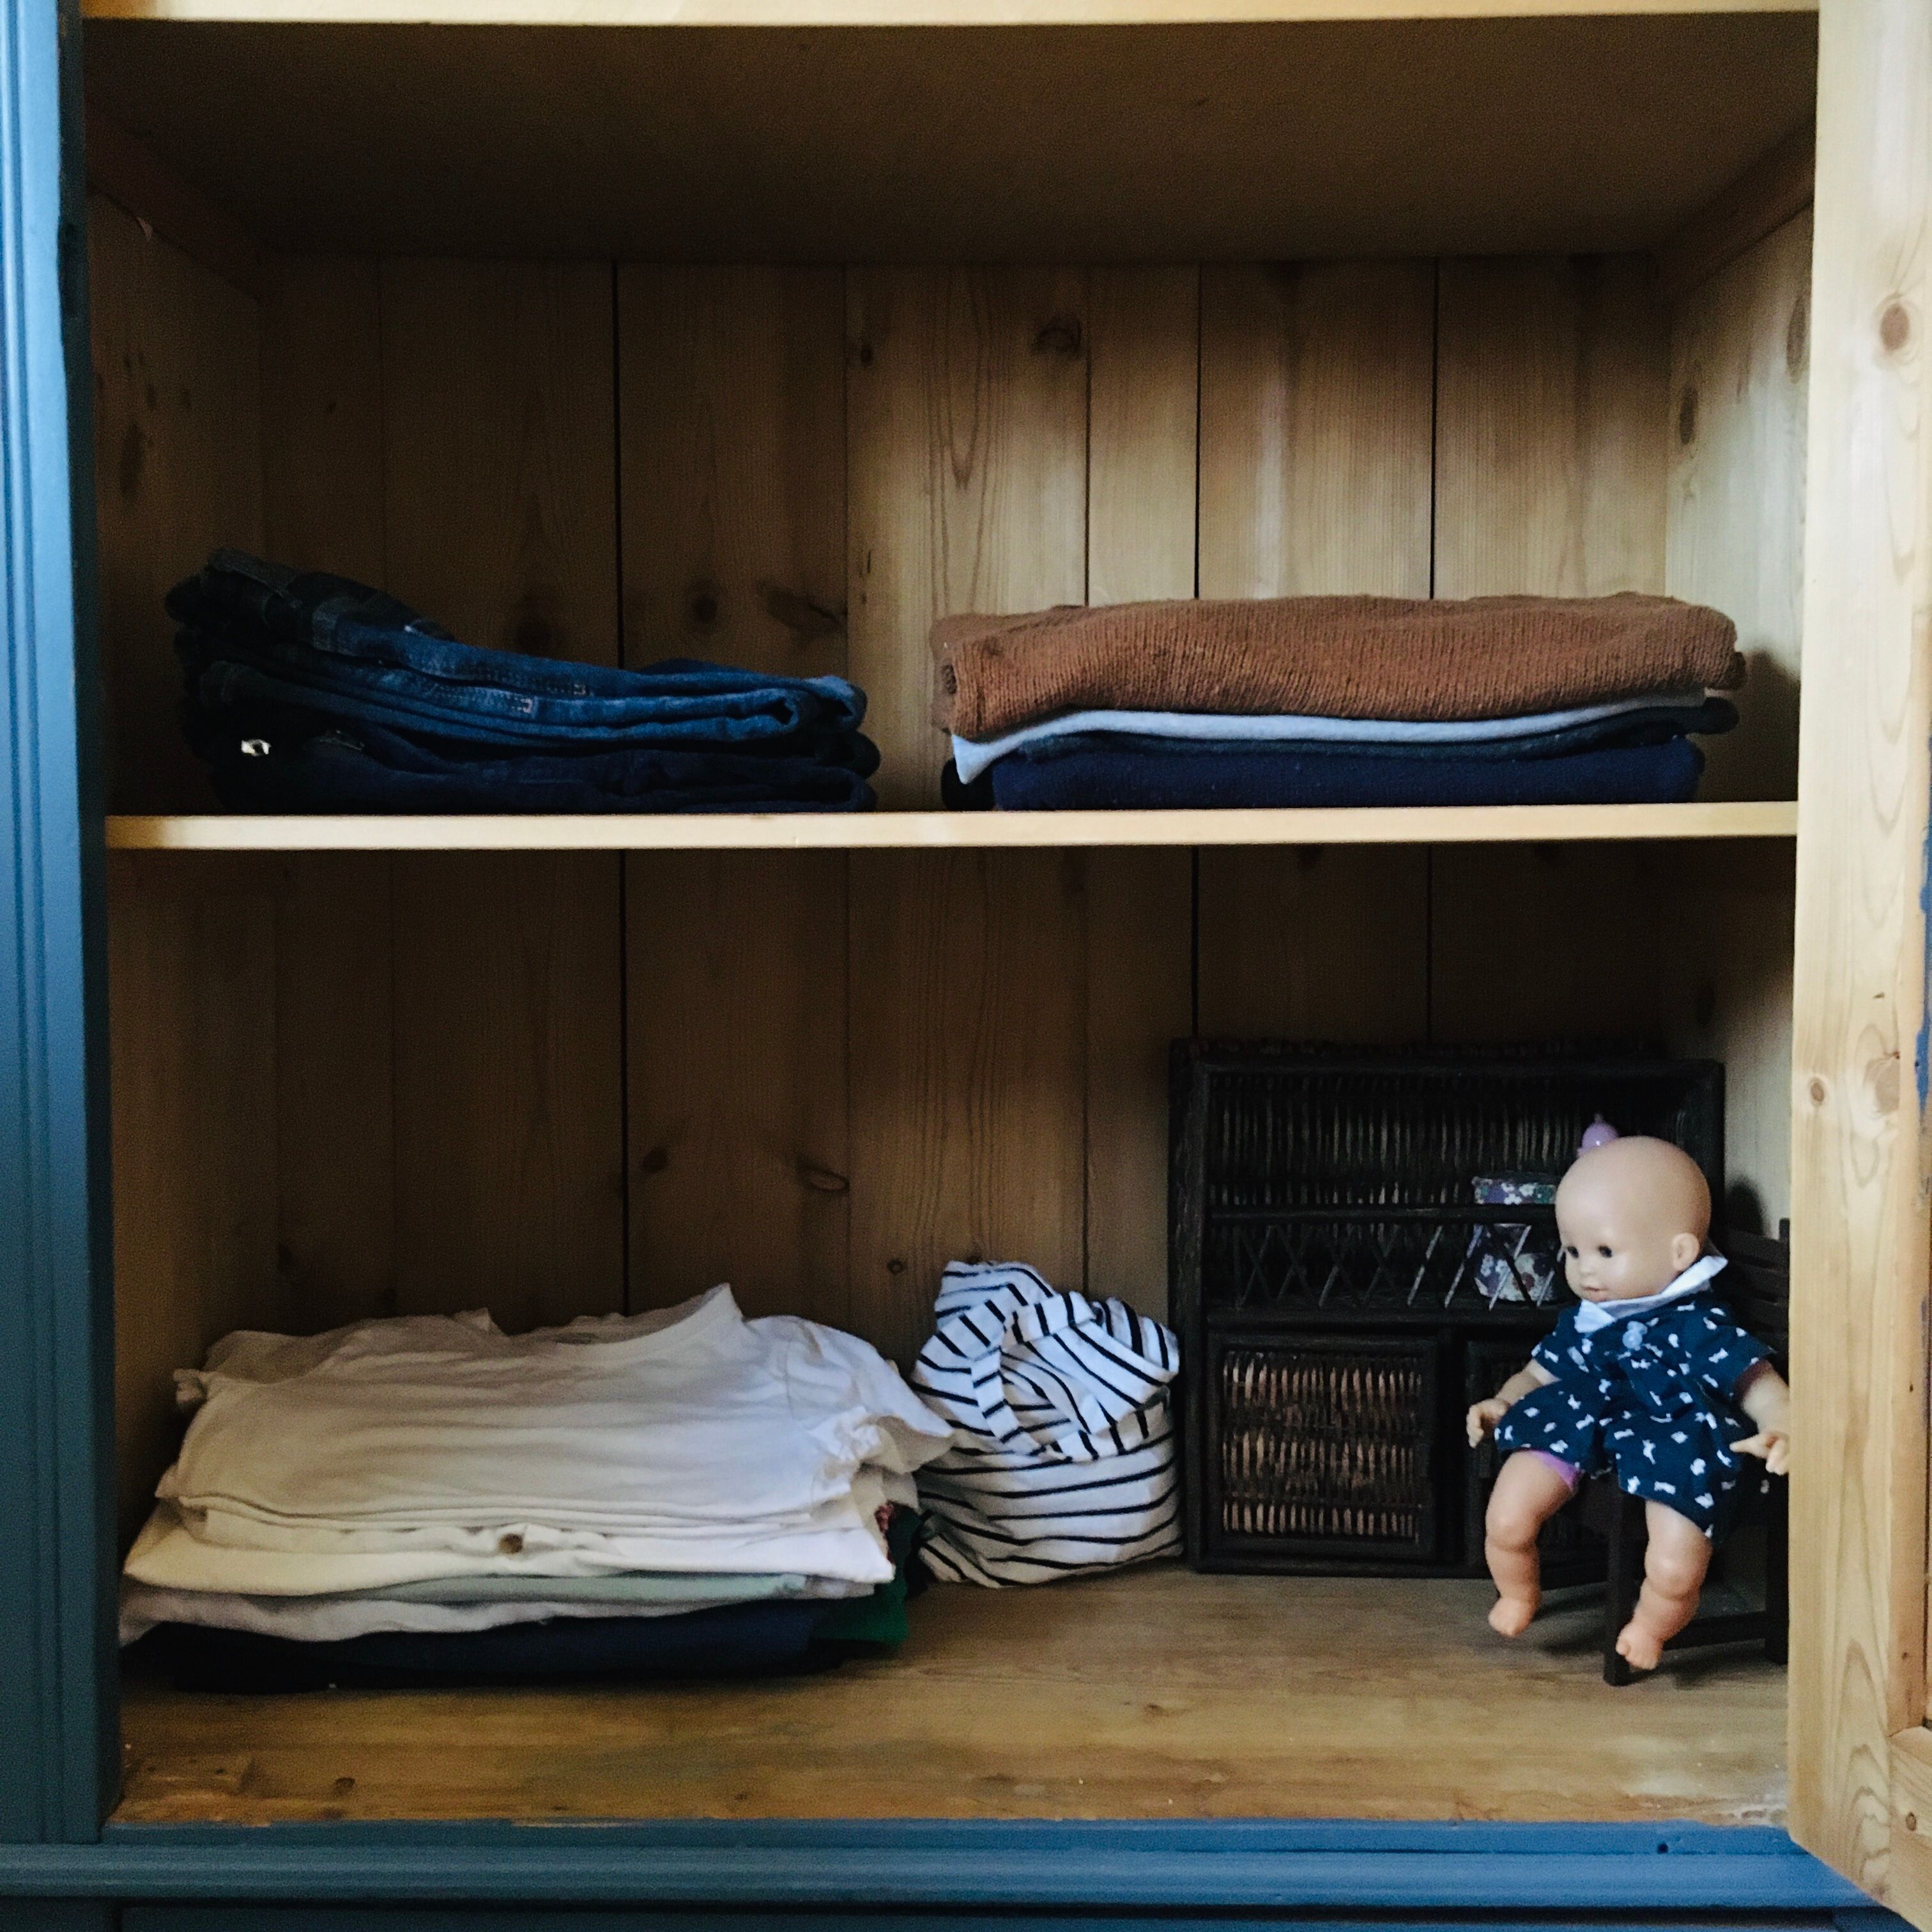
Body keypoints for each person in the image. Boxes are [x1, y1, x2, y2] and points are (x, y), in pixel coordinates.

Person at [1466, 1132, 1791, 1672]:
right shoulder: (1587, 1320)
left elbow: (1754, 1380)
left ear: (1679, 1253)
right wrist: (1503, 1401)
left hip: (1673, 1433)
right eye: (1572, 1251)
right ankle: (1519, 1591)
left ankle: (1655, 1621)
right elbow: (1539, 1371)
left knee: (1674, 1562)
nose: (1583, 1270)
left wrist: (1781, 1420)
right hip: (1581, 1421)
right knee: (1506, 1517)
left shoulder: (1699, 1326)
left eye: (1605, 1252)